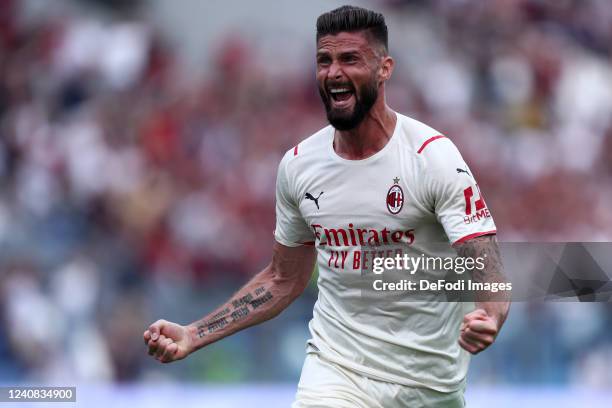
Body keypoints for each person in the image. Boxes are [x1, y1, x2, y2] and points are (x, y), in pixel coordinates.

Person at [143, 5, 510, 407]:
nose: (333, 72)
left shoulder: (431, 157)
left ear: (385, 68)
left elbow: (483, 261)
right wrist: (195, 334)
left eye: (349, 59)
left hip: (431, 388)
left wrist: (490, 315)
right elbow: (283, 279)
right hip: (336, 374)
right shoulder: (299, 166)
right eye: (324, 60)